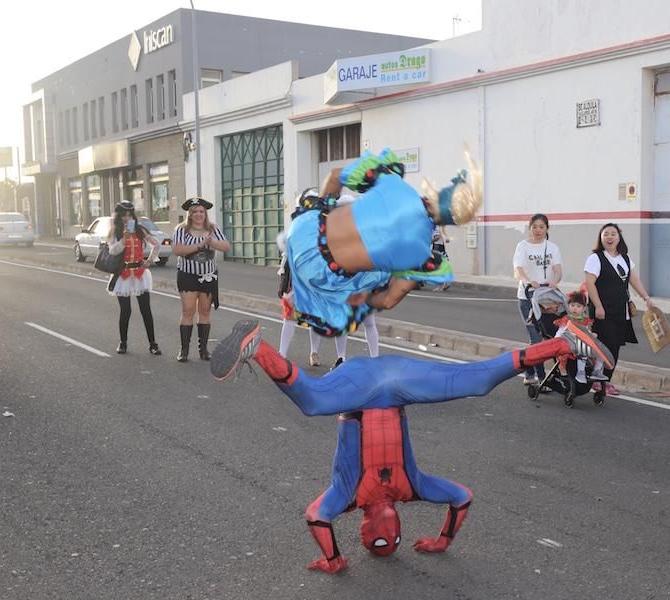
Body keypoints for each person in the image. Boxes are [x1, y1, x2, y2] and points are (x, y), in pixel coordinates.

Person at [209, 318, 614, 575]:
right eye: (394, 540)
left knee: (313, 400)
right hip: (399, 384)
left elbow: (316, 517)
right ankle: (562, 343)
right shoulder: (412, 487)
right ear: (400, 528)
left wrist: (334, 560)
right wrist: (442, 540)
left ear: (363, 531)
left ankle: (258, 347)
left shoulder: (345, 498)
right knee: (476, 380)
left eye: (377, 540)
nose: (386, 533)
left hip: (358, 389)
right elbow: (462, 497)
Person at [285, 148, 482, 338]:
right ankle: (309, 302)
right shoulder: (423, 256)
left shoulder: (392, 181)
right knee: (380, 277)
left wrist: (324, 205)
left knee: (332, 210)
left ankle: (295, 288)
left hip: (304, 229)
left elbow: (335, 175)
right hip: (319, 274)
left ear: (437, 193)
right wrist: (364, 301)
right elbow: (388, 301)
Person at [584, 223, 654, 396]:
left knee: (615, 346)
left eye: (613, 234)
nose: (609, 237)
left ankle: (605, 380)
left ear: (619, 237)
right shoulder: (595, 258)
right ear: (601, 238)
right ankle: (597, 379)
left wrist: (646, 298)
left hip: (620, 310)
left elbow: (634, 281)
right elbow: (590, 284)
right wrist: (598, 306)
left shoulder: (626, 259)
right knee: (604, 345)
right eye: (606, 234)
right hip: (602, 311)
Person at [172, 197, 230, 363]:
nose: (198, 214)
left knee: (205, 311)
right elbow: (177, 249)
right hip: (187, 275)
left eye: (201, 211)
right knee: (188, 310)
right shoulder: (181, 230)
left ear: (205, 214)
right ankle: (184, 350)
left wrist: (211, 242)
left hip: (208, 276)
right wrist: (199, 245)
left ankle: (203, 350)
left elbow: (226, 246)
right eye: (195, 211)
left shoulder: (213, 229)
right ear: (189, 214)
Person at [512, 213, 562, 385]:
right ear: (529, 227)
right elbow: (518, 268)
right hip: (527, 298)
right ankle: (541, 378)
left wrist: (555, 281)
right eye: (534, 227)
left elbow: (557, 269)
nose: (538, 230)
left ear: (547, 228)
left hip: (546, 299)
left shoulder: (553, 247)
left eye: (541, 227)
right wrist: (527, 281)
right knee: (535, 338)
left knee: (550, 336)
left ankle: (530, 369)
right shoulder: (523, 246)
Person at [106, 201, 161, 356]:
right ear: (118, 216)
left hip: (139, 273)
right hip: (122, 275)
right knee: (126, 310)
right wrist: (124, 239)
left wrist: (149, 261)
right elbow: (113, 251)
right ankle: (123, 342)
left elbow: (156, 245)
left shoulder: (140, 230)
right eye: (124, 215)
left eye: (130, 215)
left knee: (146, 310)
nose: (127, 218)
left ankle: (153, 344)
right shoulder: (114, 232)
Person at [277, 251, 323, 366]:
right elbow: (285, 261)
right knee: (289, 317)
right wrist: (283, 283)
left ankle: (314, 352)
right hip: (294, 283)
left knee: (315, 319)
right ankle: (282, 354)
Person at [552, 291, 607, 384]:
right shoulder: (567, 319)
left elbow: (586, 332)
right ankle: (580, 372)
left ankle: (597, 370)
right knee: (583, 351)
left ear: (584, 308)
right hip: (569, 344)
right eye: (572, 305)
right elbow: (559, 333)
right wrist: (559, 339)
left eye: (578, 306)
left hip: (581, 342)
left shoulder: (585, 320)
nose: (575, 309)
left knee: (600, 351)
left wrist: (592, 335)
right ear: (568, 306)